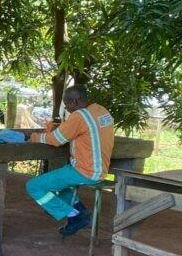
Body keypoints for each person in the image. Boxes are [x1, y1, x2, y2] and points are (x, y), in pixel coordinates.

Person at [25, 84, 115, 236]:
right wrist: (63, 127)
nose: (68, 110)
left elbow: (55, 140)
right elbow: (82, 129)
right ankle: (79, 211)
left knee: (34, 186)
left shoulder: (80, 116)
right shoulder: (101, 110)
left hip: (84, 171)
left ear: (74, 102)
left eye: (67, 107)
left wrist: (33, 137)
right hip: (100, 169)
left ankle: (75, 215)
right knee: (60, 185)